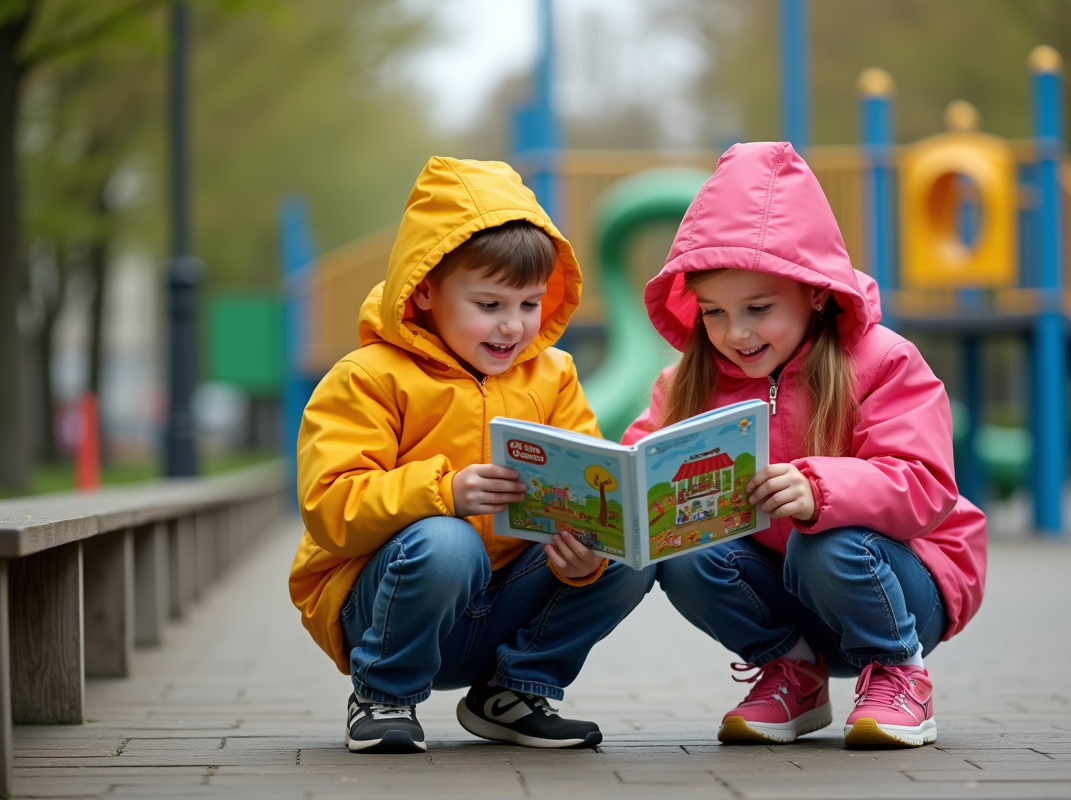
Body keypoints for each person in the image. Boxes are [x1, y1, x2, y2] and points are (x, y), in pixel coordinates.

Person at [623, 142, 987, 748]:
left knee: (828, 542)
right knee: (682, 552)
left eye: (757, 308)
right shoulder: (688, 381)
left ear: (814, 292)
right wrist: (606, 515)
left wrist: (820, 488)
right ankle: (791, 672)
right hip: (781, 590)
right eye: (713, 312)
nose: (734, 333)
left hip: (896, 582)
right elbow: (641, 470)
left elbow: (926, 485)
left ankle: (899, 673)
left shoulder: (883, 361)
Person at [290, 156, 655, 754]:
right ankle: (382, 695)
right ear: (426, 290)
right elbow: (327, 507)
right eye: (490, 305)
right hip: (388, 604)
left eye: (530, 304)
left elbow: (591, 485)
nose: (513, 327)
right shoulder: (369, 377)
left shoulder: (554, 374)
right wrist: (444, 494)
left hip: (505, 602)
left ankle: (512, 693)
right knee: (447, 541)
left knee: (633, 552)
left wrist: (586, 554)